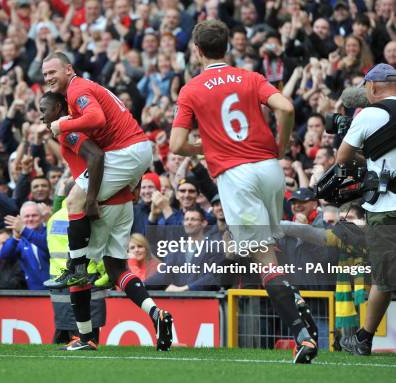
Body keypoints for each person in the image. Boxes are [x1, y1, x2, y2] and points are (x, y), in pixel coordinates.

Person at [169, 20, 318, 363]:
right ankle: (294, 302)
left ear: (197, 51)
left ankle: (302, 335)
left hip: (236, 175)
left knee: (262, 257)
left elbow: (177, 143)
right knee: (270, 249)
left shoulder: (191, 89)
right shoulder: (250, 77)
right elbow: (286, 107)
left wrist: (206, 147)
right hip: (269, 169)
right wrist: (280, 146)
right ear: (228, 48)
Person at [39, 91, 173, 352]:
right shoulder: (73, 129)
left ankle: (85, 337)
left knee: (78, 268)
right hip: (122, 203)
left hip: (102, 204)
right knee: (116, 268)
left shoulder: (70, 131)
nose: (41, 115)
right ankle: (157, 314)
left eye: (45, 109)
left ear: (59, 108)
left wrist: (90, 199)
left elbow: (97, 156)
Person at [41, 52, 152, 288]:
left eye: (53, 72)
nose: (48, 77)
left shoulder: (76, 89)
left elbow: (96, 119)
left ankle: (78, 268)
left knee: (73, 202)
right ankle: (153, 311)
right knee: (115, 268)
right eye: (45, 74)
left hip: (126, 151)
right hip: (132, 152)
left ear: (69, 69)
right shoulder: (79, 90)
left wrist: (62, 125)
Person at [335, 63, 396, 356]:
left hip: (386, 207)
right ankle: (363, 337)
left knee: (384, 278)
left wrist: (368, 160)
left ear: (372, 87)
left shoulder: (369, 114)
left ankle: (363, 338)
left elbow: (342, 157)